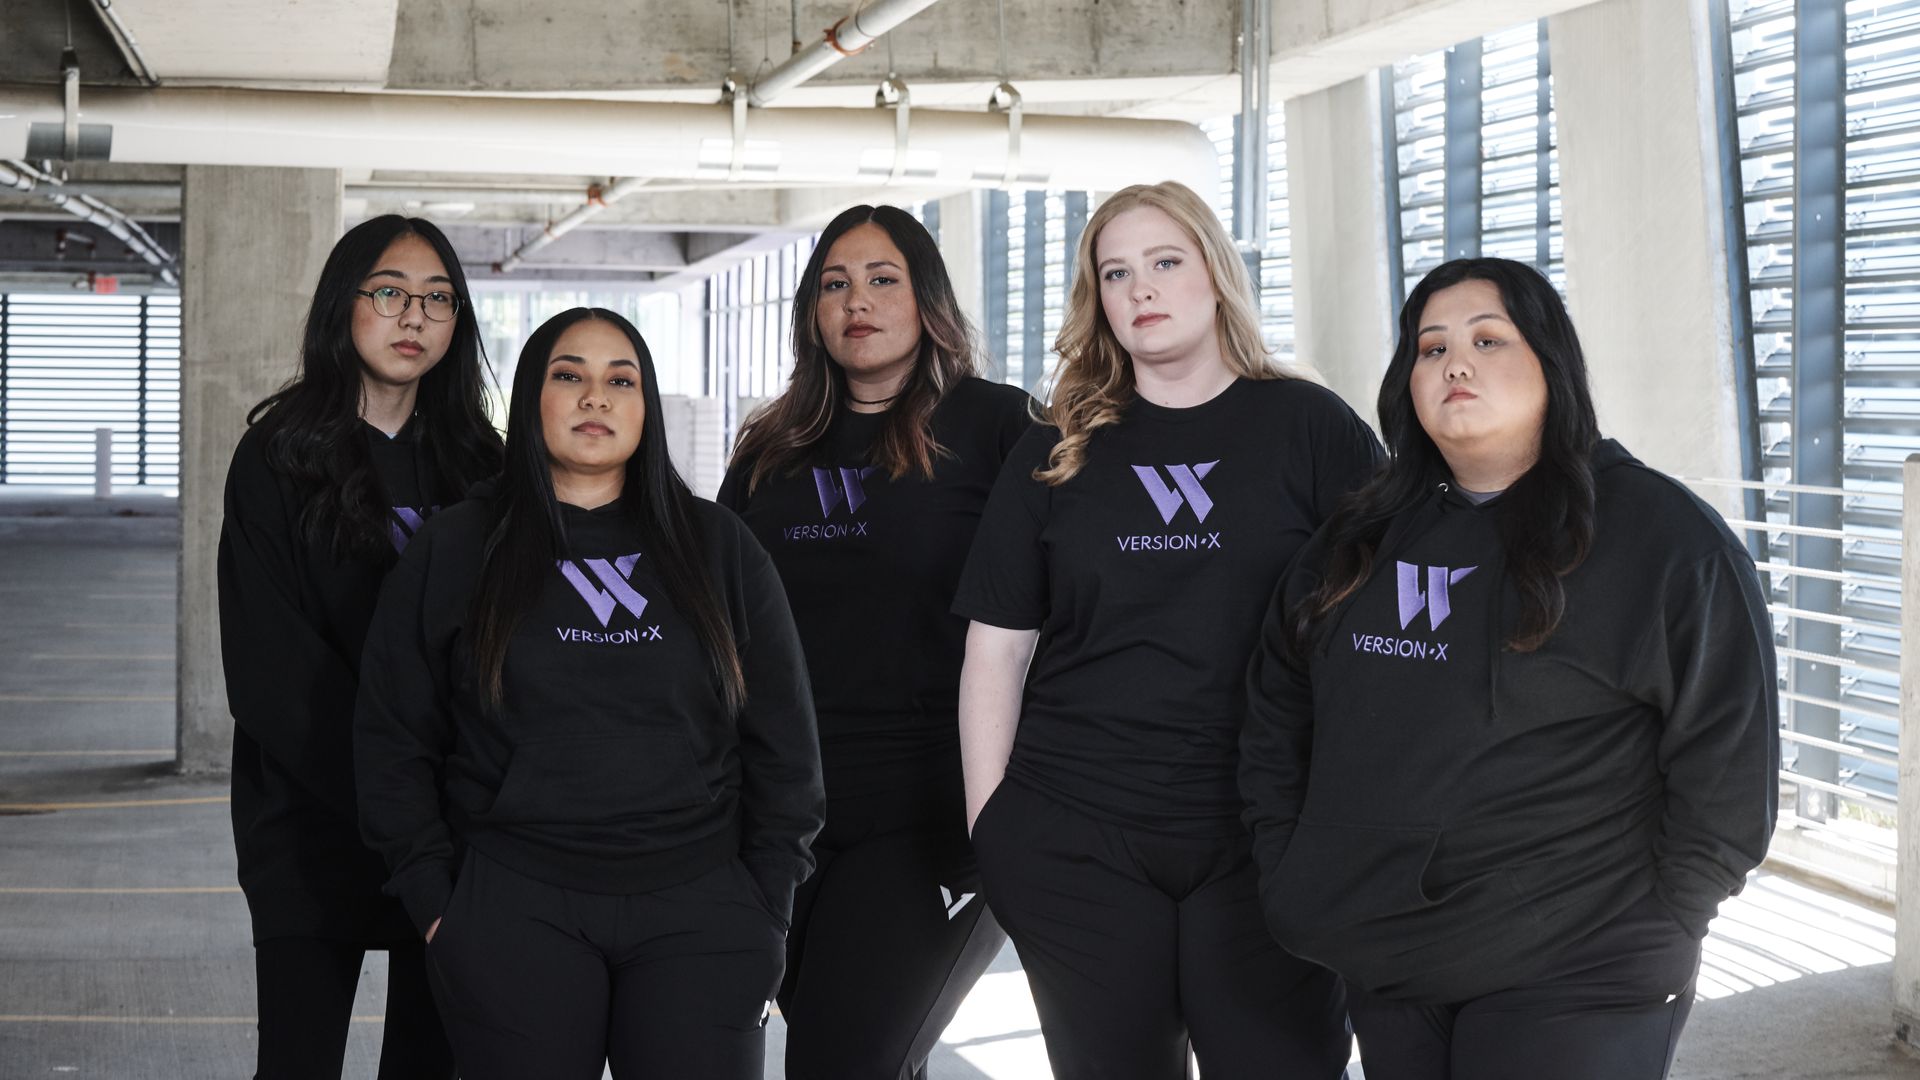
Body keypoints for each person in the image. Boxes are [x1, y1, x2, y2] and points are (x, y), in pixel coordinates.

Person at [1239, 257, 1778, 1080]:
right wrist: (1293, 872)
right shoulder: (1360, 537)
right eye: (1431, 348)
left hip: (1579, 965)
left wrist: (1673, 914)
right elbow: (1277, 710)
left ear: (1550, 361)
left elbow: (1730, 757)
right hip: (1385, 956)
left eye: (1488, 340)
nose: (1455, 364)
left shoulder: (1663, 538)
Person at [951, 180, 1373, 1079]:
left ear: (1215, 274)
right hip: (1078, 836)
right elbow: (999, 645)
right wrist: (996, 831)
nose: (1140, 288)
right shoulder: (1056, 445)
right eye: (1116, 273)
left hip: (1263, 839)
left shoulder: (1311, 428)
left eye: (1165, 262)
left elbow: (1372, 637)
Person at [353, 307, 824, 1079]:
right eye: (569, 375)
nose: (595, 397)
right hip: (513, 907)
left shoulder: (719, 548)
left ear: (646, 406)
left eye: (621, 380)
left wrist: (766, 906)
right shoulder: (458, 546)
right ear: (530, 399)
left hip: (701, 911)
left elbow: (786, 749)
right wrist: (438, 906)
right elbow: (392, 737)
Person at [719, 204, 1029, 1080]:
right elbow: (720, 621)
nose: (857, 301)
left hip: (933, 813)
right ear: (812, 312)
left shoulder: (1001, 428)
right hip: (786, 813)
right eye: (835, 284)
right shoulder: (772, 448)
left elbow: (1070, 606)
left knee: (843, 1059)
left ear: (928, 298)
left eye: (882, 279)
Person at [217, 214, 500, 1080]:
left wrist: (442, 807)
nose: (414, 316)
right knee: (297, 1062)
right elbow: (271, 671)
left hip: (446, 829)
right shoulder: (276, 457)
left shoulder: (482, 467)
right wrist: (388, 795)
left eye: (438, 299)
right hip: (309, 819)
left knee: (431, 1061)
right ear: (344, 303)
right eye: (390, 293)